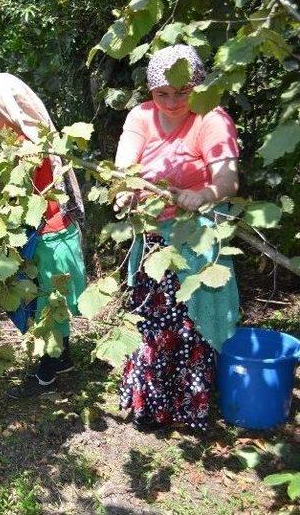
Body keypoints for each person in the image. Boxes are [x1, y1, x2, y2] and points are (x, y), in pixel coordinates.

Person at [114, 45, 241, 431]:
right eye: (162, 93)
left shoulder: (211, 119)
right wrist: (122, 187)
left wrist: (204, 195)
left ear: (197, 86)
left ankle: (189, 409)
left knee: (190, 325)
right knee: (152, 322)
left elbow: (228, 179)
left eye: (182, 91)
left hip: (196, 240)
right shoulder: (141, 116)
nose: (171, 101)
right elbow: (125, 162)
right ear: (150, 92)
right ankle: (149, 406)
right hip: (153, 238)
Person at [0, 73, 87, 398]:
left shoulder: (27, 149)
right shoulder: (34, 139)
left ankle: (45, 376)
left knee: (46, 306)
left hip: (49, 241)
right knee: (51, 301)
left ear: (4, 111)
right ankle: (62, 360)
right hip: (51, 236)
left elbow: (9, 190)